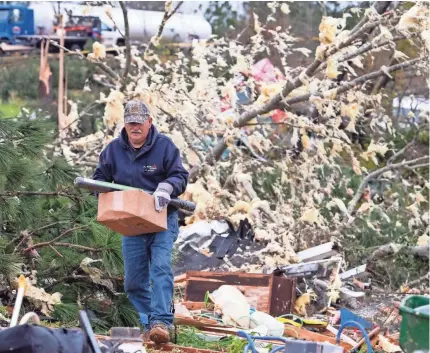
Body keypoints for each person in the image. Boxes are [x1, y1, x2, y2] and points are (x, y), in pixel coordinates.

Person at [93, 100, 189, 344]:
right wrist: (105, 195)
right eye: (130, 123)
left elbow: (180, 176)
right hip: (132, 222)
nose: (135, 127)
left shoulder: (165, 147)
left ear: (149, 122)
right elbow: (99, 180)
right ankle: (149, 323)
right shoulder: (113, 151)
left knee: (160, 268)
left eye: (139, 122)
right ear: (125, 124)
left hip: (162, 219)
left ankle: (161, 322)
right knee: (134, 281)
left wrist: (167, 187)